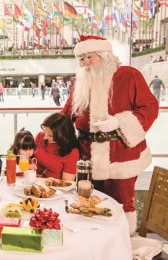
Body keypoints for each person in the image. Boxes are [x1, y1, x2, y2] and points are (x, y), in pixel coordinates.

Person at [62, 35, 158, 234]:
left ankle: (121, 244)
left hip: (121, 155)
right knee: (86, 204)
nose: (86, 63)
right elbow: (66, 114)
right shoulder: (81, 81)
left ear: (104, 55)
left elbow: (150, 107)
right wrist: (47, 132)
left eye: (90, 57)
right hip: (86, 156)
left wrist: (119, 122)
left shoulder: (129, 75)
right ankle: (92, 245)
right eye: (82, 59)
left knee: (121, 204)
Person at [33, 113, 80, 180]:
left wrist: (44, 181)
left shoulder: (72, 152)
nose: (45, 137)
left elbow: (67, 183)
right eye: (45, 131)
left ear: (62, 135)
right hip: (32, 182)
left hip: (54, 188)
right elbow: (28, 158)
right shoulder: (40, 136)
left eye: (50, 135)